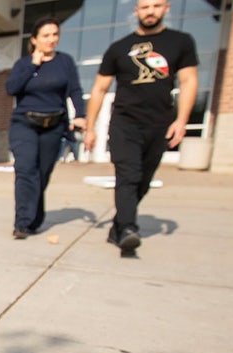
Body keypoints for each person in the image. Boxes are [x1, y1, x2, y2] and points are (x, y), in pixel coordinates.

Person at [84, 0, 198, 254]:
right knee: (128, 175)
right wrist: (90, 127)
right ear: (136, 11)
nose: (150, 11)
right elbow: (99, 88)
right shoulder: (119, 48)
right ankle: (128, 228)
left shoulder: (180, 42)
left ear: (166, 8)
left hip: (159, 123)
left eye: (156, 6)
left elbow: (189, 81)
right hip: (125, 122)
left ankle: (118, 226)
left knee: (143, 180)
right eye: (145, 7)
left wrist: (181, 120)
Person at [6, 16, 86, 239]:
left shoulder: (65, 62)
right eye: (46, 35)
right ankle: (22, 223)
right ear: (34, 40)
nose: (51, 39)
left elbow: (75, 90)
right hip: (25, 123)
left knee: (41, 175)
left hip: (53, 125)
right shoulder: (23, 64)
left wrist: (80, 115)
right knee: (26, 171)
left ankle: (34, 219)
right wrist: (33, 64)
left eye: (55, 35)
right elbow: (11, 88)